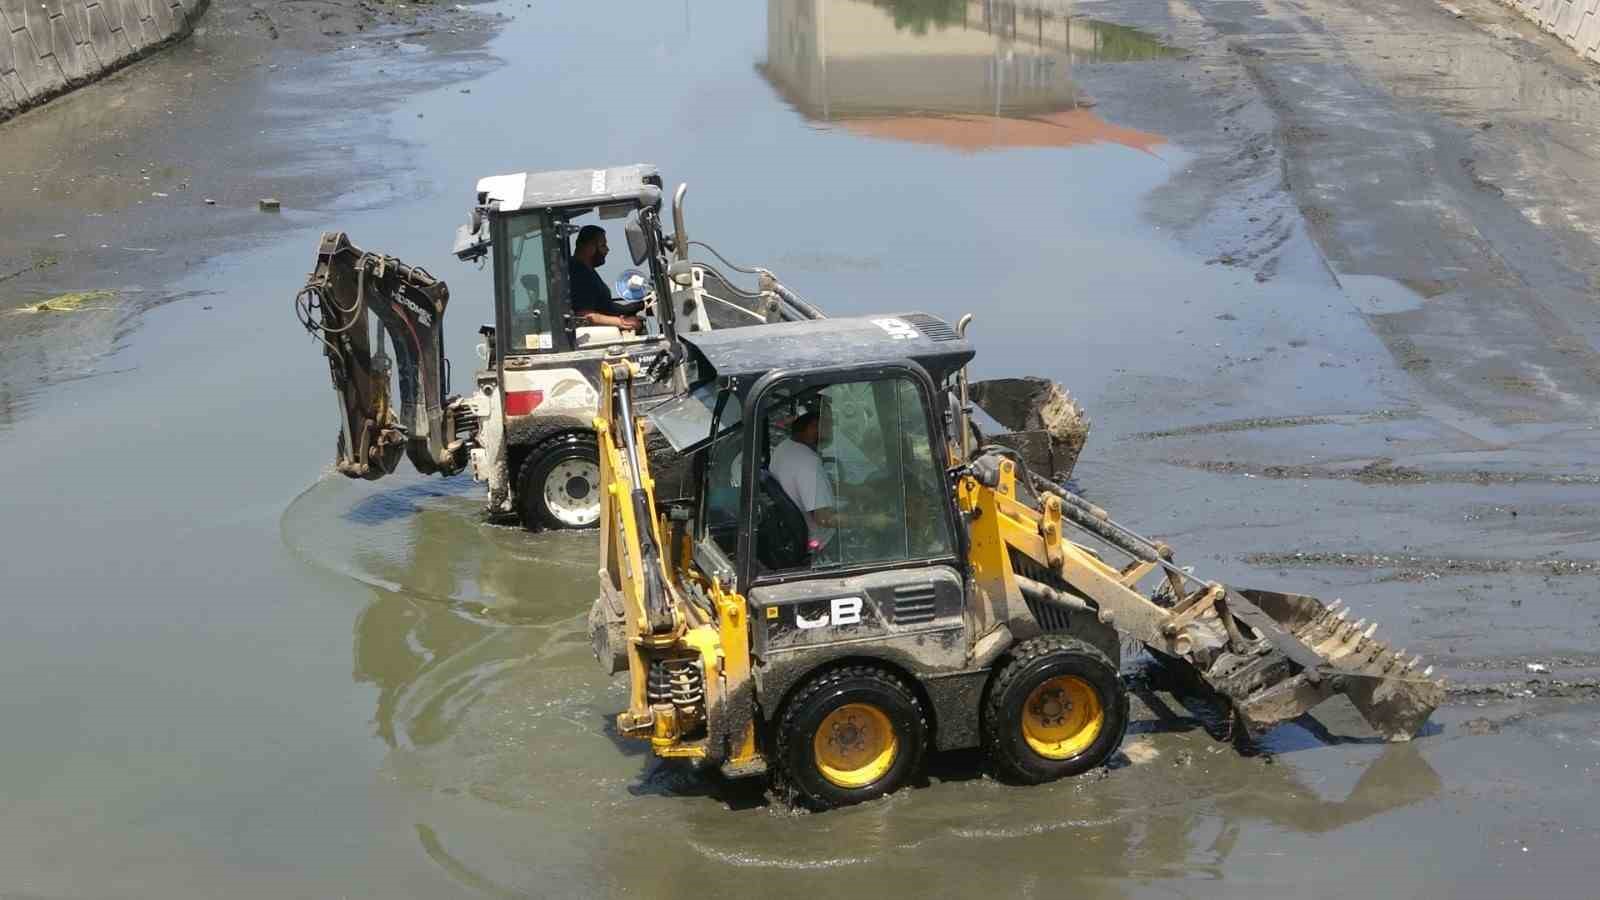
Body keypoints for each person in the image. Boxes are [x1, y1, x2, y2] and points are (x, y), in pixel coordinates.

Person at [769, 410, 836, 552]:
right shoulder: (809, 462)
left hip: (794, 532)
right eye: (831, 425)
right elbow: (825, 519)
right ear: (814, 426)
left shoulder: (785, 447)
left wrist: (854, 490)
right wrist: (869, 520)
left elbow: (808, 486)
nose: (833, 431)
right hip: (822, 542)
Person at [568, 224, 644, 331]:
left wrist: (631, 307)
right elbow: (584, 315)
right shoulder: (578, 273)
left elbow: (603, 306)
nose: (607, 250)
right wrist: (622, 322)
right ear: (590, 247)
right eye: (603, 245)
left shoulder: (587, 270)